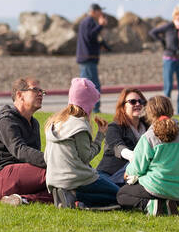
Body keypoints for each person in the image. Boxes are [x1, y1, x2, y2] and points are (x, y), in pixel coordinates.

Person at [43, 77, 121, 207]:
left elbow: (46, 157)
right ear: (87, 102)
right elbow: (86, 157)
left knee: (108, 188)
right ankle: (75, 196)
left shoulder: (55, 122)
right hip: (76, 179)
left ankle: (68, 195)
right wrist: (100, 136)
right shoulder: (80, 126)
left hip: (55, 179)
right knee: (119, 195)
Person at [117, 95, 179, 215]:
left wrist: (128, 172)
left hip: (155, 187)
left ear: (149, 114)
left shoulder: (149, 137)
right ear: (172, 111)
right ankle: (168, 203)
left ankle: (153, 205)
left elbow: (138, 168)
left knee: (122, 195)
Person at [0, 78, 52, 204]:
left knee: (59, 186)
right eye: (35, 90)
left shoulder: (34, 123)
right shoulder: (6, 119)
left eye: (42, 91)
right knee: (57, 173)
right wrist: (54, 160)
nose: (40, 94)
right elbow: (20, 150)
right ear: (19, 95)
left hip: (20, 175)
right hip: (0, 178)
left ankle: (22, 199)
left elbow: (33, 156)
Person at [98, 88, 148, 184]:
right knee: (114, 195)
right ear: (123, 107)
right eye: (133, 102)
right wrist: (135, 157)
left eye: (140, 101)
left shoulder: (147, 127)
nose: (137, 104)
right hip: (110, 174)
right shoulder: (114, 127)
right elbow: (118, 147)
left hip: (132, 175)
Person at [75, 3, 110, 112]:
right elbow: (90, 35)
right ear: (94, 11)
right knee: (91, 86)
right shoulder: (88, 22)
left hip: (87, 58)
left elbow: (91, 38)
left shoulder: (88, 22)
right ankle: (93, 109)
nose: (101, 13)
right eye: (100, 11)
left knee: (86, 85)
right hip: (88, 59)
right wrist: (100, 25)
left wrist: (103, 45)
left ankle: (84, 108)